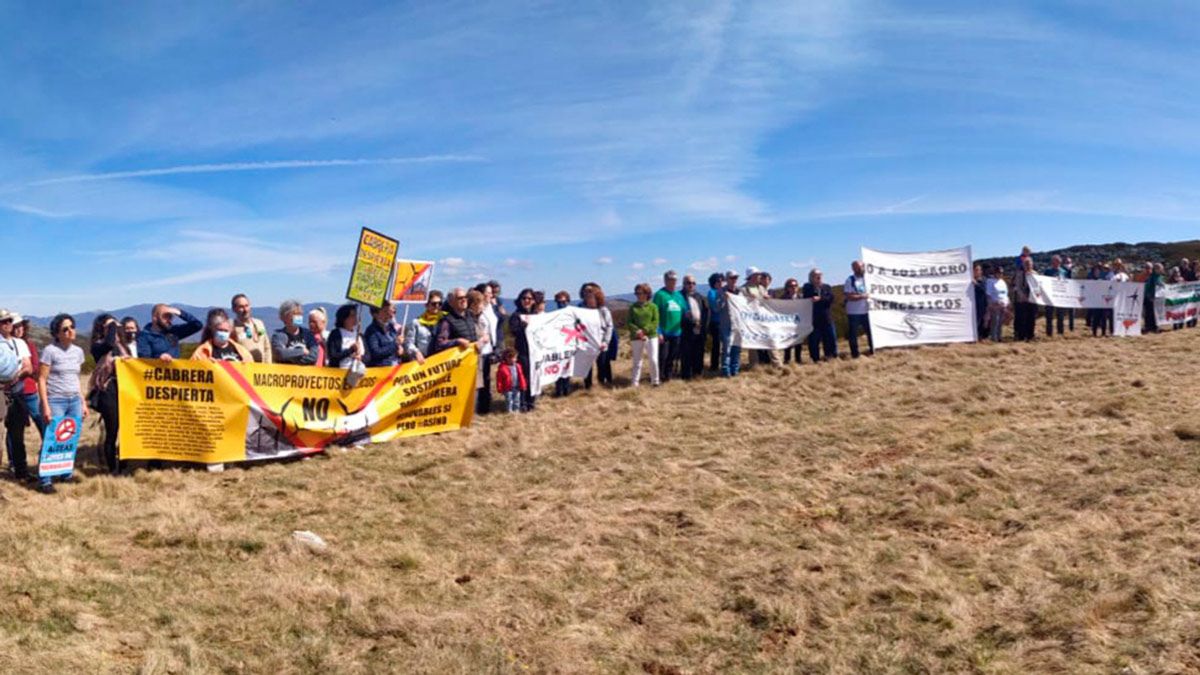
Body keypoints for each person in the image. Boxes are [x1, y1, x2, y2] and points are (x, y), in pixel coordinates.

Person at [37, 314, 88, 494]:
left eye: (72, 326)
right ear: (57, 333)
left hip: (73, 399)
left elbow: (76, 378)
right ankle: (45, 480)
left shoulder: (78, 352)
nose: (70, 331)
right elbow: (42, 379)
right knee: (52, 438)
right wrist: (45, 405)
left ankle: (65, 473)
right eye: (65, 329)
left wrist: (83, 402)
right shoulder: (50, 351)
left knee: (69, 438)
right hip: (55, 399)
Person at [88, 314, 134, 475]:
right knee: (112, 430)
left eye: (115, 326)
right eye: (109, 326)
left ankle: (124, 465)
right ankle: (112, 467)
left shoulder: (122, 346)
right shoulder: (98, 346)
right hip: (108, 391)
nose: (114, 329)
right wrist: (114, 324)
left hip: (125, 389)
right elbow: (108, 343)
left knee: (127, 430)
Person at [1, 309, 35, 482]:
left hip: (16, 393)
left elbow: (29, 367)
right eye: (3, 321)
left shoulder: (19, 344)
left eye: (8, 321)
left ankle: (21, 471)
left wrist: (13, 379)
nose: (6, 324)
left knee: (17, 434)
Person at [137, 304, 203, 361]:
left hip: (173, 373)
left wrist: (179, 312)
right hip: (156, 373)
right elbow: (144, 360)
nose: (169, 320)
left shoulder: (174, 331)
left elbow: (197, 325)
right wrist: (159, 358)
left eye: (170, 316)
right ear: (155, 318)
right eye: (165, 316)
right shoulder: (144, 336)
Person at [652, 271, 686, 382]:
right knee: (663, 356)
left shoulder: (678, 295)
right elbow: (655, 314)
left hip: (677, 332)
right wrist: (658, 331)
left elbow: (685, 310)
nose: (673, 282)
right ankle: (659, 376)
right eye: (670, 280)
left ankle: (668, 376)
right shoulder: (659, 295)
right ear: (665, 280)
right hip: (664, 331)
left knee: (672, 356)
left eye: (674, 280)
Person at [509, 288, 539, 411]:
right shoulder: (516, 315)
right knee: (523, 377)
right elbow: (513, 331)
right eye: (524, 298)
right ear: (520, 300)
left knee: (534, 377)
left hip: (535, 351)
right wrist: (523, 327)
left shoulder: (536, 316)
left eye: (530, 298)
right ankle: (522, 403)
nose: (527, 300)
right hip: (523, 351)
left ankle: (531, 402)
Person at [628, 283, 661, 387]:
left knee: (653, 359)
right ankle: (634, 383)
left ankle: (655, 381)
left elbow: (655, 321)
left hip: (651, 336)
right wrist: (637, 331)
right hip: (636, 337)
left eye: (640, 293)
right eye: (636, 293)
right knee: (637, 361)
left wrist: (645, 330)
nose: (637, 295)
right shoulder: (632, 307)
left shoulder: (653, 307)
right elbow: (629, 322)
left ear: (647, 294)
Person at [581, 286, 614, 389]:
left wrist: (605, 342)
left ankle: (603, 383)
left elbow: (609, 326)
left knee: (602, 364)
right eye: (587, 297)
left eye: (591, 297)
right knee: (587, 365)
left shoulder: (603, 310)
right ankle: (588, 386)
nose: (589, 300)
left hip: (601, 343)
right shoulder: (582, 311)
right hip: (587, 343)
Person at [467, 289, 494, 413]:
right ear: (473, 304)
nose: (482, 306)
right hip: (472, 355)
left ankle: (478, 409)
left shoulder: (481, 316)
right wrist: (482, 339)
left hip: (483, 353)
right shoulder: (468, 318)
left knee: (481, 383)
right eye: (480, 304)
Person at [433, 288, 480, 355]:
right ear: (451, 302)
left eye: (465, 297)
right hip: (459, 361)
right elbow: (440, 344)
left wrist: (480, 342)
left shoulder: (471, 315)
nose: (464, 300)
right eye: (460, 298)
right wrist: (457, 341)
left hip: (473, 360)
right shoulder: (447, 321)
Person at [803, 269, 837, 362]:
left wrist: (820, 299)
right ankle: (815, 359)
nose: (818, 277)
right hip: (814, 319)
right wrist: (816, 288)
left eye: (820, 275)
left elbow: (830, 299)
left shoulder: (827, 287)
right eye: (815, 275)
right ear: (811, 277)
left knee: (830, 339)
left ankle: (830, 357)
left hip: (826, 318)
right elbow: (808, 297)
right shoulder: (807, 287)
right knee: (814, 341)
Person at [271, 300, 319, 365]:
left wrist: (290, 357)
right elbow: (280, 354)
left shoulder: (308, 334)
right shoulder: (278, 336)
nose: (298, 317)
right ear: (284, 317)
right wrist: (302, 351)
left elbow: (313, 357)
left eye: (299, 314)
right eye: (294, 314)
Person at [403, 292, 444, 365]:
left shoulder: (445, 321)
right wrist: (416, 352)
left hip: (441, 360)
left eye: (439, 303)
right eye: (434, 304)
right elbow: (408, 343)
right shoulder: (416, 322)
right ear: (426, 305)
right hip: (423, 361)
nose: (437, 306)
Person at [680, 274, 708, 379]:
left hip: (699, 330)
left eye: (693, 283)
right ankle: (686, 375)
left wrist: (704, 327)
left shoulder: (700, 297)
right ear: (683, 284)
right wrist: (691, 323)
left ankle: (698, 373)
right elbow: (679, 314)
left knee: (698, 352)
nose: (691, 285)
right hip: (686, 330)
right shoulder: (679, 297)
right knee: (686, 353)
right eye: (688, 283)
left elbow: (706, 312)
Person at [231, 294, 272, 363]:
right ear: (234, 309)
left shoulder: (259, 323)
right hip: (244, 369)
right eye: (241, 307)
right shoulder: (232, 327)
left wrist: (268, 365)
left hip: (262, 369)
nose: (245, 310)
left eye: (247, 306)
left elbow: (267, 347)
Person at [717, 270, 742, 377]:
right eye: (732, 278)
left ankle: (735, 369)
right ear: (727, 279)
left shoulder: (740, 291)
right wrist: (723, 298)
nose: (734, 280)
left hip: (738, 324)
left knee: (737, 347)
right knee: (727, 348)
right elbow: (717, 307)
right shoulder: (721, 291)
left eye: (735, 278)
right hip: (726, 324)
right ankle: (725, 370)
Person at [845, 261, 873, 356]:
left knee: (870, 332)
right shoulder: (850, 280)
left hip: (867, 311)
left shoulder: (868, 279)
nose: (860, 269)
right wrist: (862, 296)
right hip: (854, 312)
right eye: (858, 267)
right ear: (853, 269)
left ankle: (872, 350)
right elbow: (849, 296)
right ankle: (855, 354)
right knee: (853, 334)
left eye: (861, 267)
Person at [364, 301, 404, 367]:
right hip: (382, 368)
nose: (388, 314)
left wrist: (400, 348)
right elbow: (376, 352)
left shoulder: (391, 326)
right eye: (385, 311)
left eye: (388, 311)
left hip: (396, 366)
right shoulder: (371, 331)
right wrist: (395, 345)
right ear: (375, 314)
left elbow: (395, 345)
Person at [325, 304, 365, 368]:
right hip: (340, 372)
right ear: (344, 318)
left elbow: (368, 356)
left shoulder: (359, 335)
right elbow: (333, 356)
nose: (355, 318)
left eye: (355, 315)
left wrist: (360, 357)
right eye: (352, 316)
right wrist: (350, 350)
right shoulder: (335, 334)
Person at [778, 278, 805, 365]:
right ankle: (787, 360)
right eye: (791, 286)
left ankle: (798, 360)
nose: (793, 288)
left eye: (795, 286)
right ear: (787, 287)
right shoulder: (783, 298)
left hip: (799, 324)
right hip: (787, 324)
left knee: (799, 343)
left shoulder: (802, 297)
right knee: (788, 343)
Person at [1042, 255, 1070, 336]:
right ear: (1052, 262)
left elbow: (1067, 283)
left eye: (1057, 261)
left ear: (1060, 262)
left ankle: (1060, 332)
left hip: (1060, 297)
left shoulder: (1064, 272)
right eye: (1054, 261)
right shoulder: (1048, 271)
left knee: (1060, 315)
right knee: (1049, 316)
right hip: (1050, 297)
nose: (1056, 263)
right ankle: (1049, 333)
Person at [551, 291, 572, 397]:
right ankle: (558, 391)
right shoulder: (553, 315)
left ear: (568, 301)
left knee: (567, 368)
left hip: (569, 344)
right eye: (559, 302)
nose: (561, 304)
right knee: (558, 368)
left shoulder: (572, 314)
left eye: (563, 301)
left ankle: (567, 390)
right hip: (557, 345)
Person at [1012, 257, 1038, 341]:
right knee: (1021, 318)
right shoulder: (1019, 273)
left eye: (1029, 264)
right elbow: (1017, 286)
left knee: (1031, 318)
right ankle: (1021, 336)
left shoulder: (1035, 274)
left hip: (1032, 299)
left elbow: (1038, 286)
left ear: (1032, 265)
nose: (1027, 265)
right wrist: (1023, 296)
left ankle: (1030, 335)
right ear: (1023, 265)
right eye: (1026, 264)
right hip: (1021, 299)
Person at [495, 348, 526, 413]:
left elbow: (521, 376)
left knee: (517, 399)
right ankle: (509, 411)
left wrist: (523, 385)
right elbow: (499, 379)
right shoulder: (502, 368)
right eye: (513, 358)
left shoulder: (518, 366)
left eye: (516, 358)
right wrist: (500, 388)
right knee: (509, 400)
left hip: (516, 387)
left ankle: (516, 410)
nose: (515, 360)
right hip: (507, 388)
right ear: (507, 358)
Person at [985, 266, 1010, 342]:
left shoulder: (1003, 282)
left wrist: (1007, 302)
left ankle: (999, 337)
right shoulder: (990, 281)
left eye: (1001, 273)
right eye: (999, 273)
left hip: (1003, 305)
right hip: (995, 305)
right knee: (995, 322)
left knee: (1000, 322)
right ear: (995, 273)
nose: (1000, 274)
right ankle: (993, 338)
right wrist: (992, 303)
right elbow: (988, 294)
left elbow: (1005, 294)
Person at [706, 272, 724, 371]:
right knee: (716, 345)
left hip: (724, 322)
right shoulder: (711, 292)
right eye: (718, 281)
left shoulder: (724, 291)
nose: (720, 283)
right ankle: (714, 365)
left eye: (722, 280)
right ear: (713, 282)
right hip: (716, 322)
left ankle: (724, 363)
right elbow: (715, 307)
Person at [1144, 263, 1163, 333]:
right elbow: (1148, 287)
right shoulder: (1152, 277)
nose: (1161, 270)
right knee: (1149, 313)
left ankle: (1155, 326)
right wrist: (1149, 295)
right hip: (1150, 297)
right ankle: (1148, 327)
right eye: (1160, 268)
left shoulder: (1160, 277)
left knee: (1155, 313)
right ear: (1156, 269)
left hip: (1157, 297)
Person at [488, 280, 507, 347]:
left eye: (497, 292)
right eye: (493, 292)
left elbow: (503, 316)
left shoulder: (498, 300)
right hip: (489, 337)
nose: (495, 295)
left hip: (499, 335)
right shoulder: (485, 303)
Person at [972, 264, 988, 340]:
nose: (977, 272)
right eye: (975, 270)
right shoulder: (968, 280)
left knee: (981, 321)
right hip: (972, 304)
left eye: (978, 270)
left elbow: (984, 290)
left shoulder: (984, 280)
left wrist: (976, 284)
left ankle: (981, 337)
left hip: (981, 304)